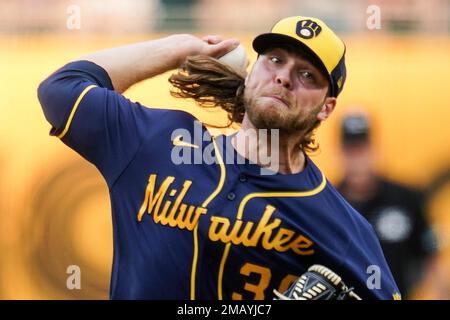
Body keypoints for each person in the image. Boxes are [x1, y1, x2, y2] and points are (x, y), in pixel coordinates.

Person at [37, 16, 400, 300]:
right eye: (274, 60)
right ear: (252, 70)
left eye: (307, 75)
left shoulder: (339, 227)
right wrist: (176, 49)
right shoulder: (156, 143)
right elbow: (61, 89)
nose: (284, 78)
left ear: (326, 108)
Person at [336, 112, 437, 299]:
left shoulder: (405, 198)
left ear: (374, 149)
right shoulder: (329, 204)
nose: (358, 159)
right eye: (351, 150)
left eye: (362, 148)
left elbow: (429, 252)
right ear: (341, 152)